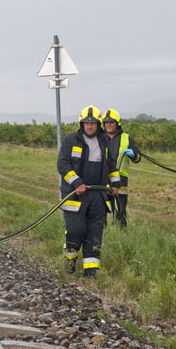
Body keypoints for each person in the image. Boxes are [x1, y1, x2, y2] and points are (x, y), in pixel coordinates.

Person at [57, 105, 118, 278]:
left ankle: (91, 273)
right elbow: (62, 164)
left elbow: (112, 166)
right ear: (81, 124)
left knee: (94, 234)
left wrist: (115, 184)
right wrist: (77, 182)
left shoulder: (105, 142)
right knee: (76, 231)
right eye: (86, 123)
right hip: (75, 195)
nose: (90, 126)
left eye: (93, 123)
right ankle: (70, 258)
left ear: (98, 125)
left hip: (98, 196)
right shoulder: (71, 141)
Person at [102, 109, 141, 228]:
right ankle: (103, 232)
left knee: (120, 209)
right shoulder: (99, 138)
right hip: (103, 178)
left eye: (111, 122)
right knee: (102, 209)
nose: (108, 124)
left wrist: (133, 155)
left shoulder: (127, 138)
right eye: (106, 122)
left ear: (117, 123)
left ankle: (121, 232)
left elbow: (138, 158)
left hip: (121, 180)